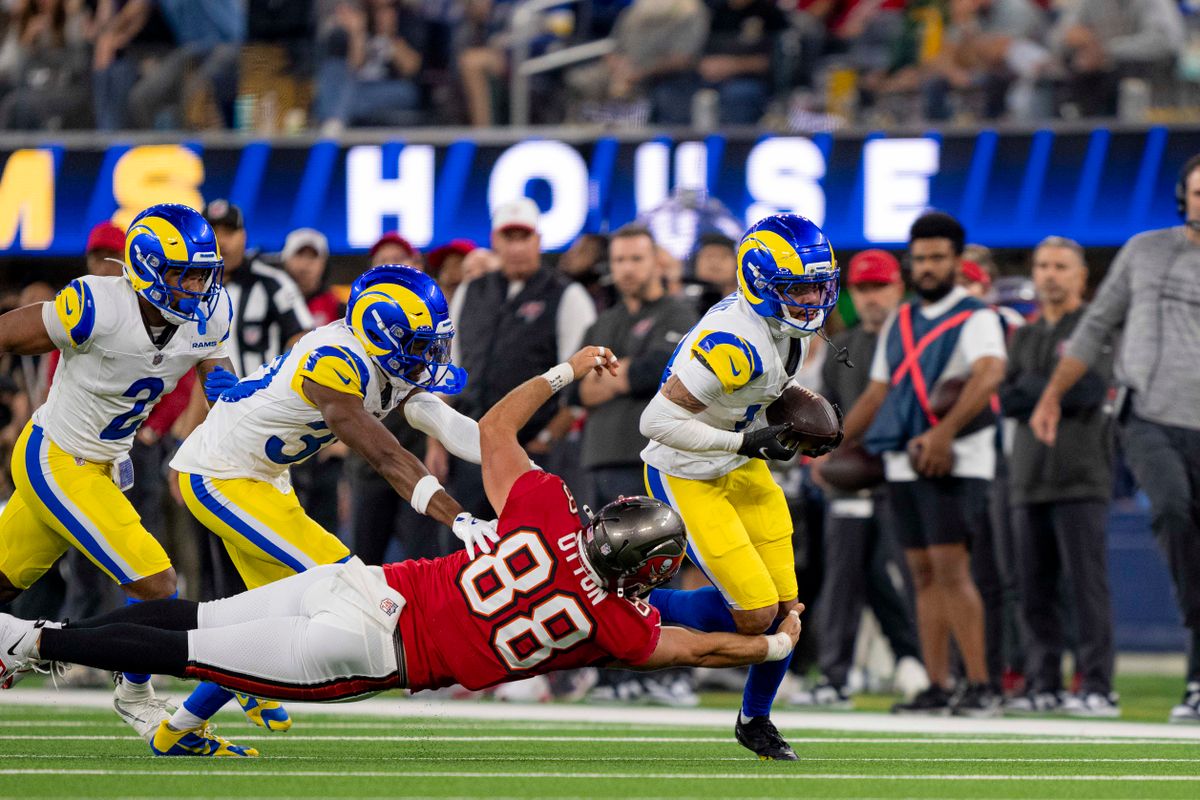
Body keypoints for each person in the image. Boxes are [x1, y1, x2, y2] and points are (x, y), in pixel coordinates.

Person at [0, 345, 805, 760]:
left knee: (189, 618)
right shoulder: (619, 625)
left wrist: (562, 369)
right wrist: (770, 642)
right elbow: (694, 644)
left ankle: (42, 644)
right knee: (189, 647)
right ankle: (35, 641)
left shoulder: (548, 510)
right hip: (371, 652)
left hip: (361, 586)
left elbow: (493, 429)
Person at [165, 264, 497, 748]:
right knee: (343, 589)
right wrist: (456, 514)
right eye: (420, 344)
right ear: (382, 331)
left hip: (265, 481)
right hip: (221, 474)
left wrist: (524, 468)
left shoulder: (383, 358)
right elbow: (386, 456)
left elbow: (446, 423)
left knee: (278, 616)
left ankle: (187, 722)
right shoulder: (334, 360)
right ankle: (136, 663)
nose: (429, 357)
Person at [0, 204, 249, 753]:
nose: (197, 285)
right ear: (146, 267)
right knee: (157, 584)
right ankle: (134, 695)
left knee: (2, 584)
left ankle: (7, 644)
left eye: (203, 273)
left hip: (106, 466)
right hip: (57, 457)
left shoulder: (208, 314)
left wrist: (234, 394)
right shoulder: (95, 305)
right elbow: (10, 335)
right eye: (184, 272)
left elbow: (215, 369)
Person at [637, 213, 843, 760]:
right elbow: (655, 422)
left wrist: (795, 412)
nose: (812, 298)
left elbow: (771, 384)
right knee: (753, 616)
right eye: (798, 288)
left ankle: (756, 720)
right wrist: (747, 443)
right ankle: (625, 600)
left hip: (738, 458)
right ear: (759, 281)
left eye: (818, 285)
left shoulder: (784, 328)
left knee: (787, 610)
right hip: (687, 468)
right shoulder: (733, 340)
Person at [1031, 155, 1200, 724]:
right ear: (1183, 198)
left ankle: (1197, 675)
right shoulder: (1145, 249)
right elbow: (1098, 323)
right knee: (1174, 511)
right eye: (1198, 192)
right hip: (1148, 415)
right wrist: (1053, 393)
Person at [840, 211, 1007, 717]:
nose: (928, 266)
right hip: (903, 460)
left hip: (956, 461)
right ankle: (937, 685)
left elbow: (990, 373)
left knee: (953, 571)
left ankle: (980, 686)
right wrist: (834, 441)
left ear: (957, 261)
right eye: (921, 258)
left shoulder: (976, 316)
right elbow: (876, 392)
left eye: (938, 257)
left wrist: (944, 432)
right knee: (921, 572)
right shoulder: (900, 319)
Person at [574, 224, 698, 706]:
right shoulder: (602, 322)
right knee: (599, 572)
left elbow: (660, 374)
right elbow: (583, 389)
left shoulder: (680, 313)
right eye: (620, 259)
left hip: (652, 459)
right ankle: (616, 674)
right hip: (600, 455)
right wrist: (628, 373)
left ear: (656, 262)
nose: (627, 268)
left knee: (659, 571)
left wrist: (620, 374)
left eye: (636, 259)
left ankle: (671, 673)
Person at [1001, 236, 1117, 717]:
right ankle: (1043, 681)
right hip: (1028, 477)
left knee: (1086, 588)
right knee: (1034, 589)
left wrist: (1035, 388)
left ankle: (1097, 685)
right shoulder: (1025, 334)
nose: (1050, 274)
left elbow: (1091, 387)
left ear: (1081, 276)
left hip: (1081, 475)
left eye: (1061, 267)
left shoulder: (1097, 327)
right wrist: (1044, 388)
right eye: (1043, 265)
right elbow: (1007, 399)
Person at [805, 249, 925, 708]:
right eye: (863, 288)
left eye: (881, 287)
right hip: (852, 479)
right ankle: (838, 674)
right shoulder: (843, 351)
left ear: (899, 288)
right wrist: (824, 455)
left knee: (892, 576)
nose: (872, 297)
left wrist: (836, 450)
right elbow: (826, 416)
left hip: (905, 474)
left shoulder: (916, 338)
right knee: (844, 577)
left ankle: (921, 662)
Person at [449, 198, 597, 515]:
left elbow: (580, 374)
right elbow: (452, 368)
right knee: (469, 544)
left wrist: (549, 436)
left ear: (538, 241)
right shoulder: (471, 290)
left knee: (535, 539)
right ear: (494, 241)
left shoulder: (566, 293)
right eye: (509, 237)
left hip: (533, 449)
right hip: (471, 444)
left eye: (524, 237)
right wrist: (439, 440)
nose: (516, 247)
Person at [202, 200, 314, 378]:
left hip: (265, 400)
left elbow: (306, 341)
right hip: (215, 403)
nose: (221, 242)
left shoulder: (273, 282)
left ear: (243, 236)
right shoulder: (191, 288)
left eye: (228, 232)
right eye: (214, 234)